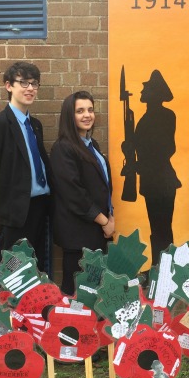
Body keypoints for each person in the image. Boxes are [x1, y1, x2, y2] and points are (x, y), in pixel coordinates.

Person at [0, 61, 54, 273]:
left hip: (40, 208)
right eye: (23, 83)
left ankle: (33, 308)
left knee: (36, 271)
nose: (30, 88)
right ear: (8, 86)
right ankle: (12, 307)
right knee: (15, 273)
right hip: (14, 213)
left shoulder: (35, 125)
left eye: (34, 83)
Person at [50, 91, 114, 295]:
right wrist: (105, 221)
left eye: (90, 110)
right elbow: (74, 194)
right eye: (80, 111)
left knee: (93, 292)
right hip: (78, 234)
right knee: (76, 292)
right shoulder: (63, 148)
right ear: (70, 115)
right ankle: (70, 327)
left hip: (95, 231)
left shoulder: (91, 145)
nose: (87, 115)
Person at [130, 70, 181, 264]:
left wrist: (139, 161)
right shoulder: (145, 117)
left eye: (146, 88)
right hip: (151, 181)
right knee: (157, 229)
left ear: (155, 93)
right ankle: (157, 267)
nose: (142, 91)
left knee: (162, 230)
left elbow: (167, 148)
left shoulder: (165, 115)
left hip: (162, 180)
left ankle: (164, 270)